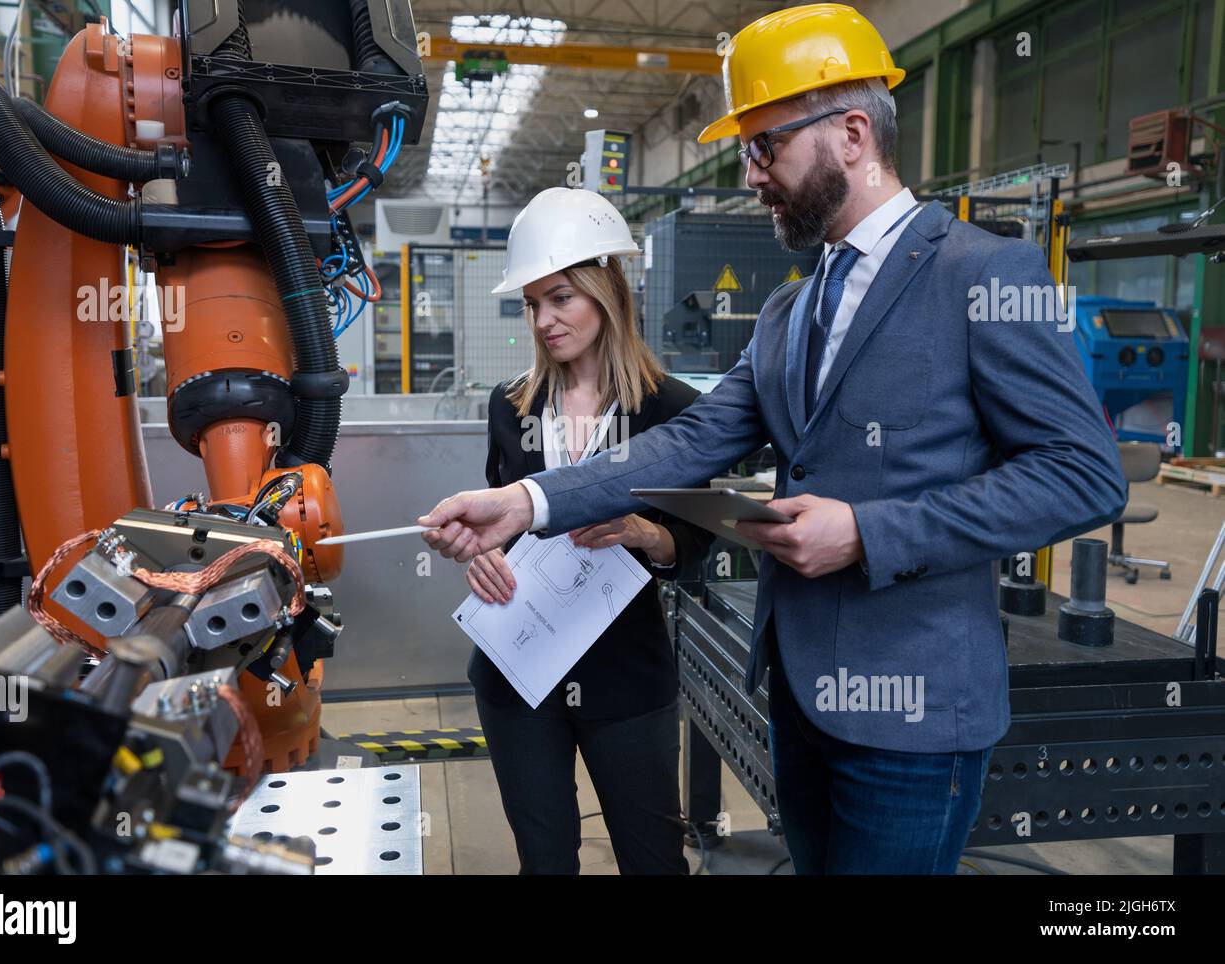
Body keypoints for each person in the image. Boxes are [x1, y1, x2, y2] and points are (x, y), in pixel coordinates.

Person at [419, 4, 1127, 875]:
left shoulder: (980, 276)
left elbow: (1082, 474)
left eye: (765, 148)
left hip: (915, 712)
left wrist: (868, 532)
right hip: (799, 697)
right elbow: (691, 442)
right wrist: (523, 500)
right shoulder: (792, 310)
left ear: (853, 133)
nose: (751, 174)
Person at [464, 187, 713, 875]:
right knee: (545, 860)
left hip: (625, 676)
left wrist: (642, 532)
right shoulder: (512, 405)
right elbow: (498, 518)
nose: (544, 320)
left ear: (607, 291)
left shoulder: (673, 410)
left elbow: (692, 545)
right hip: (518, 668)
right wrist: (479, 553)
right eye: (531, 303)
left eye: (562, 298)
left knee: (653, 858)